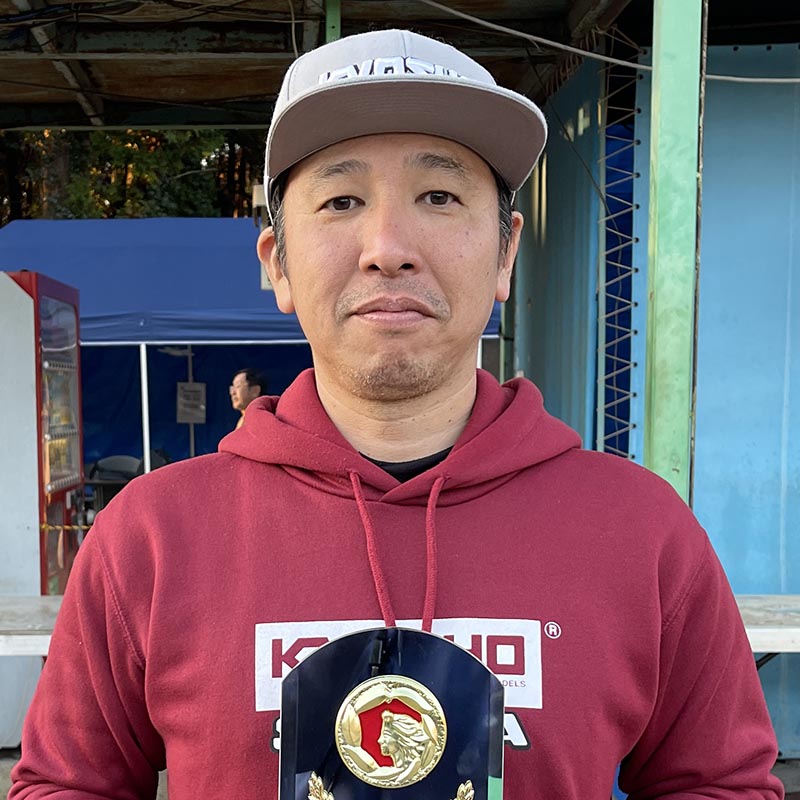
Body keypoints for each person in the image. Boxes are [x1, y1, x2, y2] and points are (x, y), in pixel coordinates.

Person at [10, 28, 783, 800]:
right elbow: (66, 785)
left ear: (506, 254)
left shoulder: (640, 531)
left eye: (438, 196)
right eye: (341, 201)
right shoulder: (150, 539)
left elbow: (721, 784)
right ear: (278, 263)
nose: (387, 247)